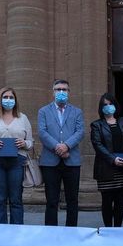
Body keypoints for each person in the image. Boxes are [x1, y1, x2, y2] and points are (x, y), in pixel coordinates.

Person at [0, 87, 34, 224]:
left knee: (16, 199)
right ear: (0, 99)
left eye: (11, 97)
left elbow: (31, 142)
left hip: (17, 161)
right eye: (5, 97)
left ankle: (16, 234)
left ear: (15, 100)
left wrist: (24, 143)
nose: (8, 100)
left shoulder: (23, 118)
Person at [38, 79, 84, 227]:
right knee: (51, 200)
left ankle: (71, 232)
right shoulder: (43, 111)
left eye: (64, 89)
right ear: (53, 92)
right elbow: (42, 132)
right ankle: (51, 233)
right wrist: (58, 147)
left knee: (72, 200)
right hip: (50, 162)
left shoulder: (77, 111)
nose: (61, 92)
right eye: (58, 89)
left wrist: (67, 146)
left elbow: (80, 132)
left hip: (72, 160)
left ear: (69, 92)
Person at [90, 93, 123, 227]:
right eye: (105, 105)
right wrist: (112, 159)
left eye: (110, 104)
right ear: (101, 107)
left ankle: (118, 229)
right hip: (106, 168)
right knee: (107, 201)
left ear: (115, 105)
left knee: (119, 201)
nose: (108, 107)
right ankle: (107, 229)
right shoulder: (96, 125)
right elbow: (97, 145)